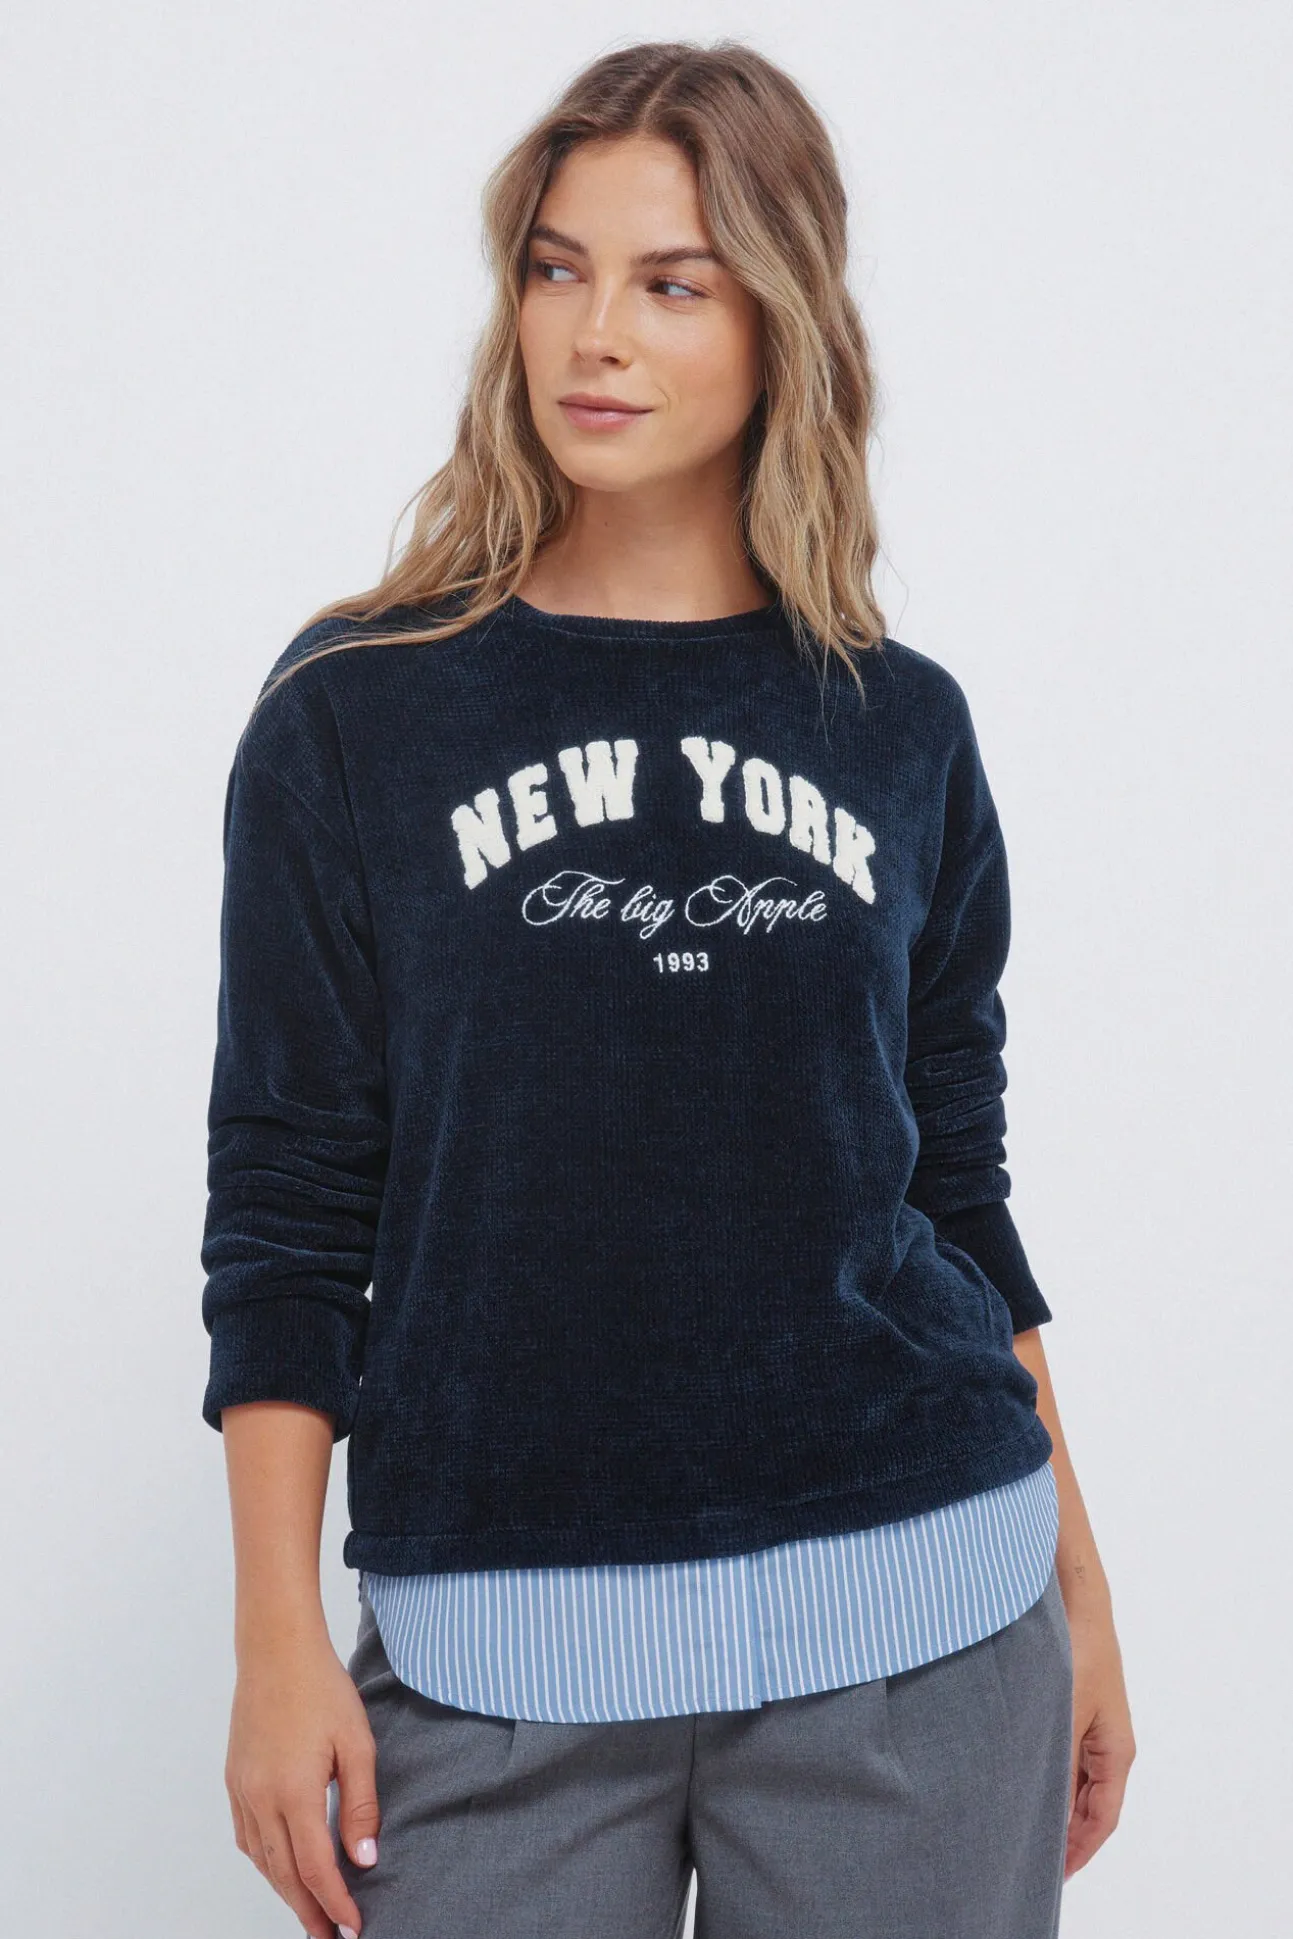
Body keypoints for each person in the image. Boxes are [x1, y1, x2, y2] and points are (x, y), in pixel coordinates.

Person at [200, 38, 1135, 1939]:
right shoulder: (357, 714)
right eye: (557, 269)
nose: (595, 334)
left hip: (923, 1620)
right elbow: (288, 1201)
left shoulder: (899, 726)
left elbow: (956, 1184)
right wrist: (277, 1638)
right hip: (492, 1664)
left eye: (671, 283)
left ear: (782, 322)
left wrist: (1083, 1588)